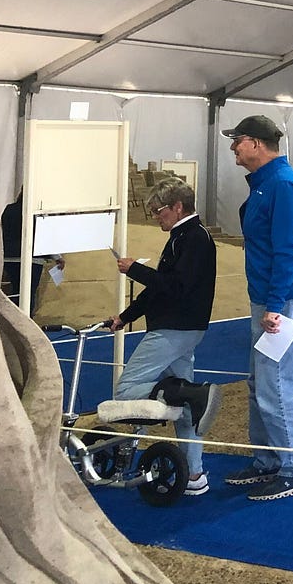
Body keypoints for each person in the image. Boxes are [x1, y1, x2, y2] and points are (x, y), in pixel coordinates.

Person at [104, 177, 222, 498]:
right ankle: (194, 474)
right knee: (184, 413)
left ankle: (194, 394)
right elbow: (159, 289)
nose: (156, 215)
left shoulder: (194, 239)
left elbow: (174, 287)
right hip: (183, 328)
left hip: (174, 328)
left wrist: (135, 271)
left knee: (126, 388)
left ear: (178, 207)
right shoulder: (182, 237)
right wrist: (124, 317)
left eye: (159, 210)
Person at [222, 114, 293, 500]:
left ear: (257, 144)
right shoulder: (268, 185)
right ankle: (267, 461)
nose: (233, 147)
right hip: (270, 297)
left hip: (284, 300)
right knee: (259, 382)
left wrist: (276, 305)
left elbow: (290, 248)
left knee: (276, 384)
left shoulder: (283, 185)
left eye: (238, 140)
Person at [0, 189, 64, 316]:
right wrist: (57, 257)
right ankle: (25, 324)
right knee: (28, 294)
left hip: (9, 257)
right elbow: (44, 236)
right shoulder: (36, 211)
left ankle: (12, 322)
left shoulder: (9, 209)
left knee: (15, 292)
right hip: (32, 259)